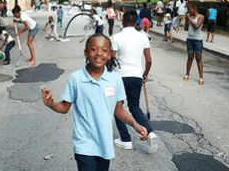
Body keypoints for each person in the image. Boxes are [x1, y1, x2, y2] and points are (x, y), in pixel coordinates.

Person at [41, 33, 148, 171]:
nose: (99, 53)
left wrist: (135, 125)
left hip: (105, 144)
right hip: (84, 144)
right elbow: (64, 107)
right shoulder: (76, 78)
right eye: (94, 49)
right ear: (86, 52)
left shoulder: (115, 79)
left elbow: (118, 110)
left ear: (110, 54)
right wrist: (51, 104)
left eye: (104, 50)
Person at [111, 10, 158, 153]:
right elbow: (148, 60)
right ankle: (150, 133)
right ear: (137, 22)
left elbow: (111, 60)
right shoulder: (143, 37)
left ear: (123, 21)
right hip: (136, 76)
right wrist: (145, 74)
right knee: (134, 107)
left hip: (120, 76)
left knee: (117, 106)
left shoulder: (116, 37)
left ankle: (125, 139)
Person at [184, 3, 205, 85]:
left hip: (198, 40)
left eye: (190, 9)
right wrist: (186, 20)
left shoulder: (201, 17)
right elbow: (186, 29)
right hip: (189, 39)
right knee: (190, 57)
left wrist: (189, 19)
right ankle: (187, 74)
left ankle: (201, 77)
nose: (189, 11)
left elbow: (197, 26)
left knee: (198, 58)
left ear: (195, 8)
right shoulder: (191, 17)